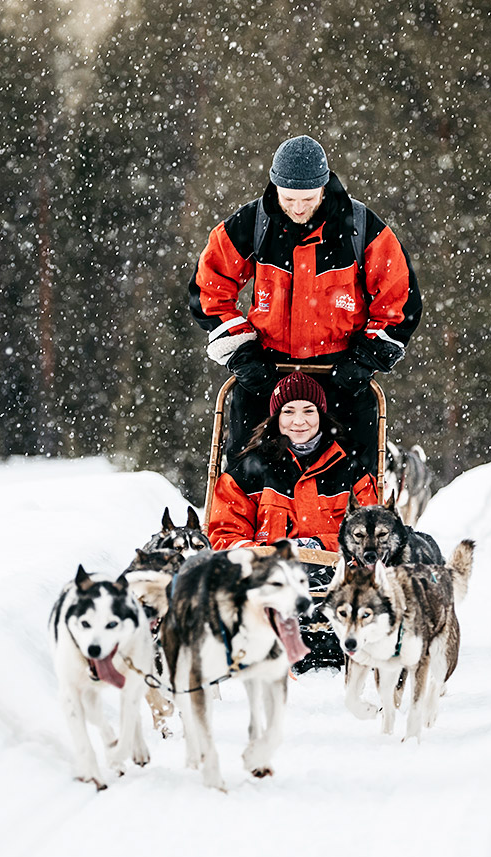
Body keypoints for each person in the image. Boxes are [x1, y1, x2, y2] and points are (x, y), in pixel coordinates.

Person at [189, 135, 421, 473]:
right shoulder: (252, 224)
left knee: (352, 471)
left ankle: (354, 524)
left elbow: (399, 298)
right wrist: (242, 352)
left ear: (324, 187)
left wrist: (365, 358)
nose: (298, 208)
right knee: (248, 468)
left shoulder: (360, 227)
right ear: (274, 186)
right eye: (289, 199)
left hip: (341, 373)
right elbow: (209, 287)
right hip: (266, 372)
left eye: (308, 199)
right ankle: (245, 522)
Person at [207, 372, 379, 553]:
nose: (299, 421)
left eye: (309, 411)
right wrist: (271, 556)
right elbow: (223, 539)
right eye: (288, 411)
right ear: (277, 418)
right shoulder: (249, 471)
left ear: (320, 416)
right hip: (267, 574)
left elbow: (373, 533)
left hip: (337, 574)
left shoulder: (349, 468)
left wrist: (318, 547)